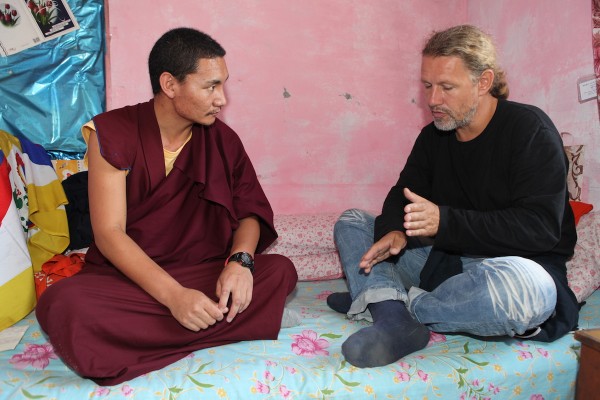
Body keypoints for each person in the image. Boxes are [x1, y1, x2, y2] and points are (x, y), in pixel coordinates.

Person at [36, 27, 299, 386]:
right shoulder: (113, 132)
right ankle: (207, 325)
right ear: (170, 84)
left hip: (199, 272)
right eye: (210, 86)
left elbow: (249, 212)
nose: (221, 99)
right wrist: (175, 297)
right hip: (130, 280)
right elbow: (109, 234)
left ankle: (153, 335)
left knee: (279, 271)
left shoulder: (222, 139)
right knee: (63, 304)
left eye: (223, 85)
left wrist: (240, 262)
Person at [327, 24, 579, 369]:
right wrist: (393, 231)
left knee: (528, 290)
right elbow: (403, 193)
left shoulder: (529, 131)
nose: (433, 100)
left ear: (483, 82)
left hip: (507, 270)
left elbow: (539, 228)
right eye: (428, 86)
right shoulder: (434, 137)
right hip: (443, 262)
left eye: (447, 87)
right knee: (353, 221)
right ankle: (387, 309)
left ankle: (389, 305)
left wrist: (445, 221)